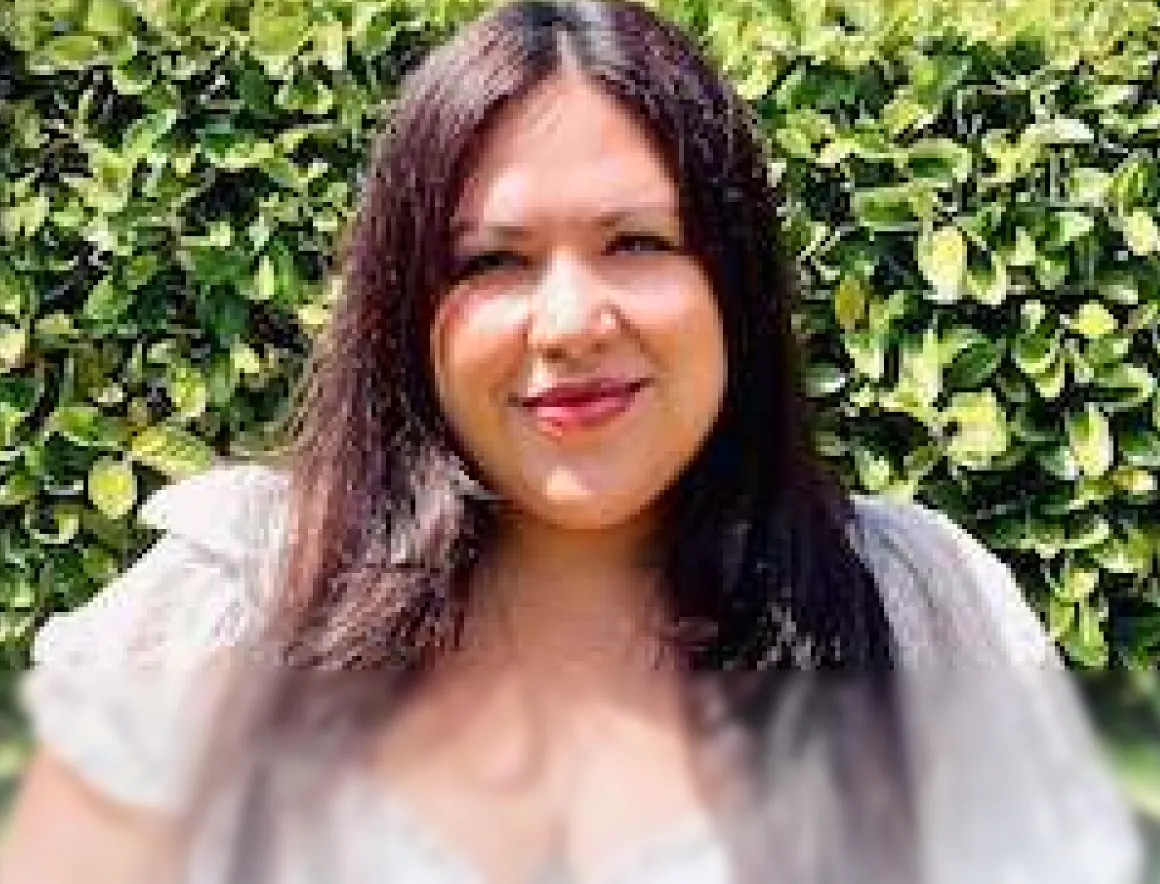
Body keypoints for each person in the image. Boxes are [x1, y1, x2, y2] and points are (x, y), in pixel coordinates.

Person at [0, 1, 1145, 882]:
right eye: (490, 261)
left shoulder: (911, 605)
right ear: (408, 310)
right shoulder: (239, 602)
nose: (568, 323)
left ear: (732, 284)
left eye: (637, 242)